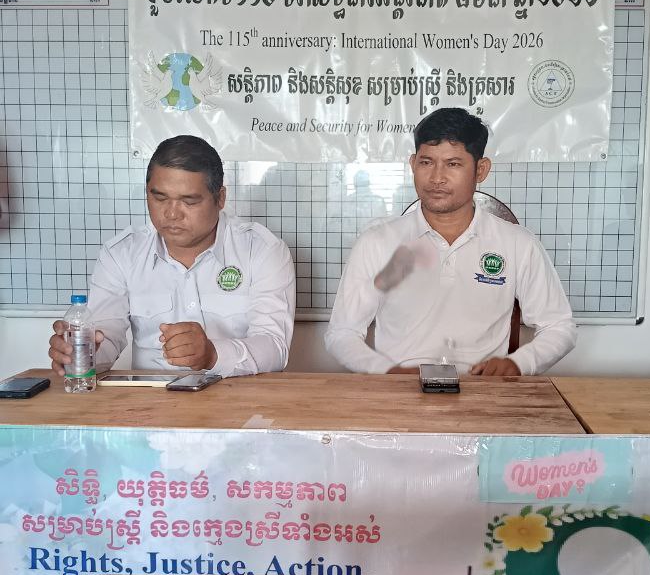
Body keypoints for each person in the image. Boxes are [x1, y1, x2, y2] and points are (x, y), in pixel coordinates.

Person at [325, 108, 576, 376]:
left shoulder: (517, 244)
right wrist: (387, 371)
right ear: (413, 164)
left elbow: (559, 327)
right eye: (426, 162)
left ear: (481, 170)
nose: (437, 178)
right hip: (400, 391)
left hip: (481, 391)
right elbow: (342, 333)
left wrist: (518, 364)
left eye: (453, 164)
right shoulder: (378, 243)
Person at [48, 135, 295, 378]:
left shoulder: (261, 250)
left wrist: (213, 355)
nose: (172, 214)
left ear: (220, 198)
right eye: (160, 198)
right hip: (149, 400)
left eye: (189, 201)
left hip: (236, 398)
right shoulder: (122, 254)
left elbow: (274, 347)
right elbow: (105, 335)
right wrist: (80, 351)